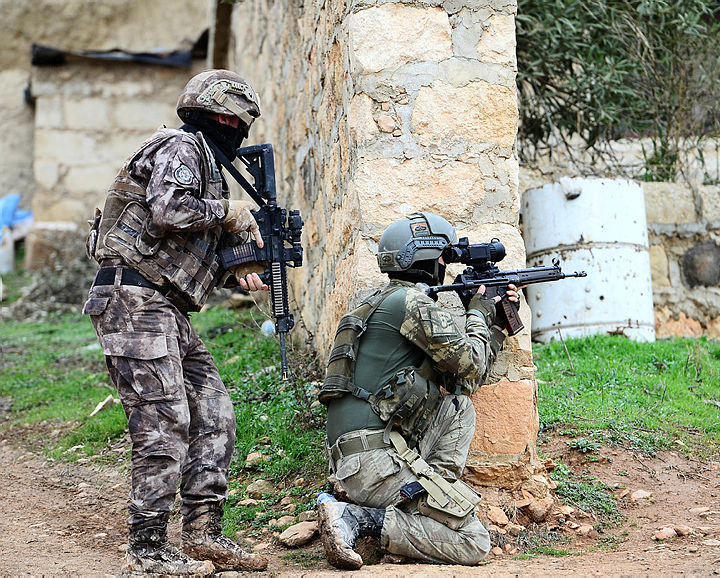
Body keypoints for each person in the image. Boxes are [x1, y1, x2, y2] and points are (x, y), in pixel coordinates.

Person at [82, 69, 271, 575]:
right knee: (163, 424)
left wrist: (242, 268)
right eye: (236, 121)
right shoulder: (181, 146)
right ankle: (147, 550)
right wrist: (231, 214)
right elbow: (170, 212)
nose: (238, 131)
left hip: (162, 305)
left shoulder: (203, 161)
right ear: (226, 118)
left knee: (214, 413)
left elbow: (180, 243)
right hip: (133, 300)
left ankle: (203, 534)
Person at [316, 211, 520, 569]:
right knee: (473, 541)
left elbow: (461, 383)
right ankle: (358, 520)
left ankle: (429, 508)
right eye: (443, 256)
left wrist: (496, 326)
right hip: (373, 461)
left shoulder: (383, 301)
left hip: (361, 456)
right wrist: (478, 312)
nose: (445, 263)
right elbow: (472, 367)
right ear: (424, 256)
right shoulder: (413, 304)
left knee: (456, 406)